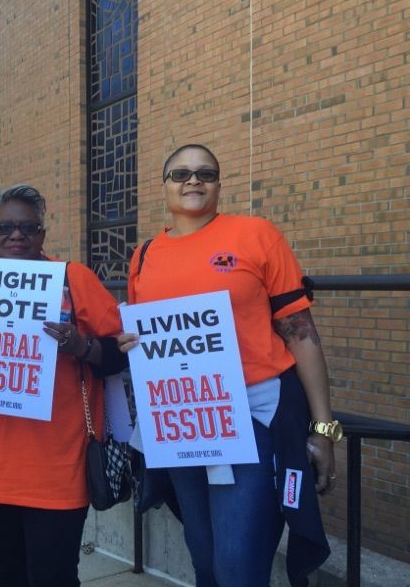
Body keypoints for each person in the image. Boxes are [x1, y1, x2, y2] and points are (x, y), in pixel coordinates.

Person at [118, 144, 338, 586]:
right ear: (164, 187)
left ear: (219, 184)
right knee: (204, 557)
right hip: (182, 417)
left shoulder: (256, 235)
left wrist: (324, 429)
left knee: (238, 564)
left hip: (254, 413)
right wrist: (131, 342)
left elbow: (301, 333)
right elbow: (147, 337)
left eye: (206, 173)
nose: (193, 181)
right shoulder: (143, 256)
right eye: (180, 174)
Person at [0, 184, 128, 587]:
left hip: (59, 468)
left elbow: (121, 352)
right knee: (12, 578)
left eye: (29, 227)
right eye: (4, 227)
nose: (16, 236)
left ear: (43, 234)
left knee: (53, 577)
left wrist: (83, 347)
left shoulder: (72, 279)